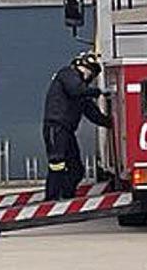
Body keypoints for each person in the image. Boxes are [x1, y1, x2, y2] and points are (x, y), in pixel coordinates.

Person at [43, 51, 112, 201]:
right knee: (57, 163)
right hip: (56, 127)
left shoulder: (82, 92)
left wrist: (111, 123)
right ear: (81, 66)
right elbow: (76, 91)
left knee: (76, 169)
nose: (91, 76)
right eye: (90, 71)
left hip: (67, 131)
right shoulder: (67, 74)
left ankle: (66, 194)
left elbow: (93, 114)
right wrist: (98, 92)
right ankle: (51, 198)